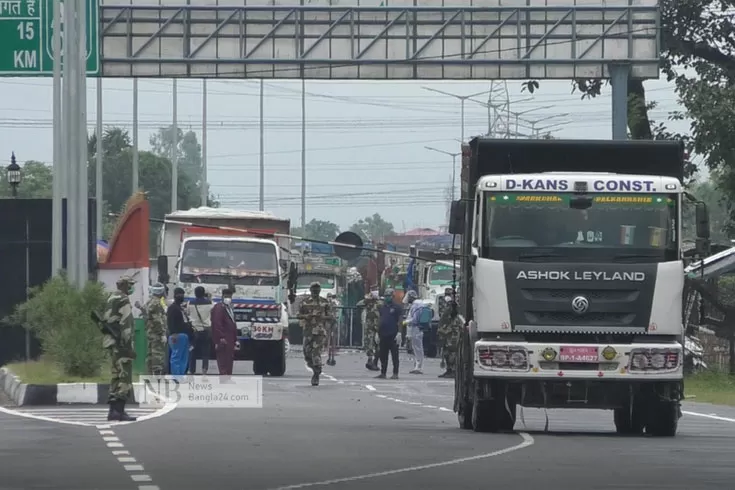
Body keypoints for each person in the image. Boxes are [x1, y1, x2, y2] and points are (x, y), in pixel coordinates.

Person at [103, 275, 138, 422]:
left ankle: (113, 412)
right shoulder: (123, 299)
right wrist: (128, 346)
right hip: (121, 344)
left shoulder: (111, 298)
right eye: (130, 284)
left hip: (111, 342)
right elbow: (126, 324)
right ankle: (120, 411)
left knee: (116, 376)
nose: (131, 287)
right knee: (125, 378)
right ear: (124, 285)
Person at [298, 282, 332, 386]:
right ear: (310, 290)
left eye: (317, 289)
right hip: (308, 331)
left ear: (320, 290)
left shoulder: (325, 302)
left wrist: (323, 318)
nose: (315, 291)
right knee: (307, 353)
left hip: (320, 331)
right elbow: (298, 315)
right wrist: (306, 316)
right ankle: (315, 368)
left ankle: (316, 374)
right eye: (314, 289)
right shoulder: (304, 302)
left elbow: (331, 316)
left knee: (316, 353)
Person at [137, 282, 167, 376]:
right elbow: (158, 320)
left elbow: (146, 313)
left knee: (150, 353)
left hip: (150, 330)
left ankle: (149, 374)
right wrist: (162, 333)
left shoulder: (149, 301)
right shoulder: (157, 303)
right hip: (156, 332)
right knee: (157, 353)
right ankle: (157, 374)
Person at [376, 288, 401, 380]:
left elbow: (400, 320)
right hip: (383, 334)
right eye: (386, 296)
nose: (387, 298)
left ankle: (395, 373)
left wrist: (399, 332)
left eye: (389, 296)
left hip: (393, 334)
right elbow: (380, 320)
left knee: (395, 355)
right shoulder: (382, 307)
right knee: (383, 355)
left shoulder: (397, 307)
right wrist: (377, 333)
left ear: (392, 296)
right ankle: (383, 373)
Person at [211, 288, 238, 377]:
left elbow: (233, 323)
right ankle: (224, 376)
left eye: (229, 297)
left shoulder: (229, 308)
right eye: (226, 296)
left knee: (229, 358)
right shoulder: (219, 307)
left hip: (230, 338)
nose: (228, 298)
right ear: (222, 296)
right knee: (223, 358)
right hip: (224, 337)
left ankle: (228, 376)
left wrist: (235, 339)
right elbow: (217, 323)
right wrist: (221, 336)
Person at [188, 286, 214, 375]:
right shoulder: (210, 303)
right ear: (204, 293)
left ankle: (192, 370)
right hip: (206, 330)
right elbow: (213, 312)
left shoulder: (190, 303)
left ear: (195, 293)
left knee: (192, 351)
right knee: (205, 351)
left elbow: (188, 314)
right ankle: (204, 370)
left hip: (194, 330)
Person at [437, 288, 462, 378]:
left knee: (452, 351)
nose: (447, 296)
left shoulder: (455, 305)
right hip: (445, 331)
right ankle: (449, 369)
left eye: (449, 294)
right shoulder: (445, 304)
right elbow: (443, 317)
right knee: (446, 352)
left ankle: (453, 370)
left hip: (453, 332)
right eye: (446, 294)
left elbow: (454, 318)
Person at [167, 287, 191, 376]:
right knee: (176, 357)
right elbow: (171, 322)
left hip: (184, 335)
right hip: (176, 335)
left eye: (182, 295)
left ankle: (181, 375)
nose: (182, 297)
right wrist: (174, 333)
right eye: (179, 295)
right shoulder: (173, 308)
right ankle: (176, 376)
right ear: (175, 296)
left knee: (183, 357)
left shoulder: (180, 308)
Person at [405, 290, 429, 375]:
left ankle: (418, 367)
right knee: (417, 348)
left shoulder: (416, 306)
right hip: (418, 329)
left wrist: (406, 322)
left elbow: (415, 319)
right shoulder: (419, 305)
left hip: (416, 329)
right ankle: (417, 365)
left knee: (417, 348)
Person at [358, 289, 380, 371]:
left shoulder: (379, 304)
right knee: (369, 344)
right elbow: (358, 304)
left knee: (378, 345)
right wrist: (366, 300)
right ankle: (370, 360)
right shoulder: (368, 303)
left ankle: (375, 362)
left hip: (377, 327)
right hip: (369, 327)